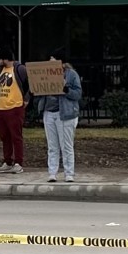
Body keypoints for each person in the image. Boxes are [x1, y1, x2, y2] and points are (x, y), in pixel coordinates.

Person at [40, 51, 83, 183]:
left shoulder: (71, 74)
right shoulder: (46, 74)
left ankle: (69, 173)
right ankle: (52, 172)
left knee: (66, 145)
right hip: (49, 112)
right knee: (52, 146)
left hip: (65, 114)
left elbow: (78, 94)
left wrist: (66, 90)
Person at [0, 48, 29, 174]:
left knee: (16, 136)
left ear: (5, 59)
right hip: (1, 107)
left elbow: (30, 84)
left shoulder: (19, 69)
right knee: (4, 137)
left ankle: (18, 162)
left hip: (15, 107)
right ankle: (7, 161)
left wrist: (26, 99)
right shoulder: (0, 70)